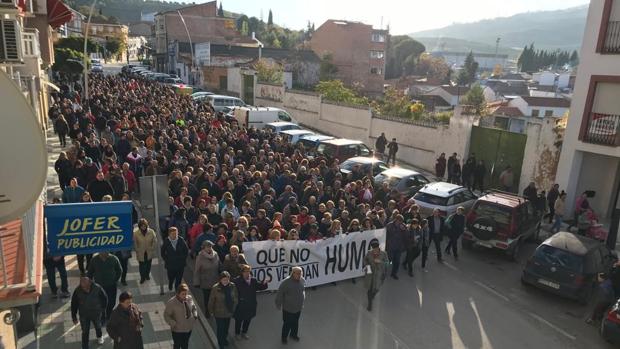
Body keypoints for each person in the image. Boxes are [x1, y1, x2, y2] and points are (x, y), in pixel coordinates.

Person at [233, 265, 268, 340]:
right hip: (240, 305)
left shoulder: (253, 280)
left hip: (251, 304)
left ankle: (244, 332)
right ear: (242, 272)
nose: (247, 273)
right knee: (239, 320)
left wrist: (264, 283)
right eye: (245, 271)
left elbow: (260, 287)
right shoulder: (237, 281)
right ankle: (237, 333)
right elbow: (233, 293)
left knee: (248, 319)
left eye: (248, 271)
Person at [71, 277, 108, 348]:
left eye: (86, 287)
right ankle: (85, 346)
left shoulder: (97, 288)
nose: (85, 289)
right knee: (85, 331)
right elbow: (74, 304)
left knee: (98, 326)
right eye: (83, 288)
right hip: (84, 315)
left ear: (90, 283)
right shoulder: (77, 291)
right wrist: (74, 317)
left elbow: (104, 298)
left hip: (96, 313)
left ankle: (99, 337)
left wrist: (103, 309)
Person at [87, 252, 122, 321]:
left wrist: (115, 280)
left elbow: (119, 270)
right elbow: (90, 273)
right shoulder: (94, 260)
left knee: (111, 302)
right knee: (100, 302)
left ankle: (109, 314)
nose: (104, 252)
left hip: (111, 285)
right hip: (99, 286)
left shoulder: (113, 259)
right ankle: (102, 316)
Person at [275, 266, 306, 344]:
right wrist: (278, 304)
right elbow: (279, 294)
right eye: (298, 273)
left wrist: (302, 302)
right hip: (288, 309)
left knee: (295, 322)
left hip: (298, 308)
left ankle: (293, 335)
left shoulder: (302, 280)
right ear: (293, 273)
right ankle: (284, 337)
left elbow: (303, 291)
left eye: (300, 273)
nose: (299, 275)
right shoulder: (285, 282)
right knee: (287, 324)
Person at [208, 271, 238, 348]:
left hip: (228, 312)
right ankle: (221, 343)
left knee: (226, 328)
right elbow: (211, 301)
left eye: (227, 279)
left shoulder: (232, 286)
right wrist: (211, 311)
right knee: (220, 329)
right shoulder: (215, 288)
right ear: (220, 280)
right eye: (224, 279)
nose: (225, 281)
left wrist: (233, 308)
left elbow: (235, 298)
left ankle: (224, 339)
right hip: (219, 313)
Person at [164, 283, 198, 349]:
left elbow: (194, 307)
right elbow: (166, 315)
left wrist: (195, 315)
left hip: (188, 328)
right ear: (178, 293)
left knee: (185, 345)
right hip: (177, 330)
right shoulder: (171, 302)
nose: (185, 296)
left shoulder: (189, 298)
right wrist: (173, 323)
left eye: (186, 293)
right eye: (183, 294)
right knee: (177, 345)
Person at [193, 240, 220, 316]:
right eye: (207, 247)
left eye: (210, 246)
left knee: (215, 297)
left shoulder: (215, 254)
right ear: (203, 248)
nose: (209, 248)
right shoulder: (200, 256)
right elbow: (197, 270)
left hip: (215, 280)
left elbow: (219, 265)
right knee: (207, 298)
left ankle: (214, 310)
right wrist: (196, 282)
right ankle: (207, 311)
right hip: (205, 281)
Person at [363, 239, 389, 311]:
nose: (374, 250)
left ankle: (373, 295)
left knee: (376, 289)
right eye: (373, 248)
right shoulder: (369, 253)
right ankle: (370, 304)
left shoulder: (384, 254)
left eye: (376, 248)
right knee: (369, 290)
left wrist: (380, 261)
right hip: (370, 275)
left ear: (378, 247)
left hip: (379, 275)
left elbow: (389, 263)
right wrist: (367, 265)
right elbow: (365, 260)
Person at [161, 227, 189, 291]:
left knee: (179, 279)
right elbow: (162, 252)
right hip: (170, 264)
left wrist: (183, 258)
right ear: (169, 234)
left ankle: (177, 290)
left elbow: (186, 250)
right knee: (171, 277)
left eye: (176, 233)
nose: (174, 235)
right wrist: (166, 259)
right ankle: (170, 283)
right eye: (173, 234)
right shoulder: (166, 241)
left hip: (180, 264)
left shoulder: (181, 240)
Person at [133, 218, 158, 283]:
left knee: (148, 265)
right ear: (140, 226)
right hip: (141, 252)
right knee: (142, 266)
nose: (143, 227)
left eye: (144, 226)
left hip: (149, 251)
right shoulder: (136, 233)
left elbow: (155, 240)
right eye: (142, 226)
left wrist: (152, 247)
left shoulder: (151, 231)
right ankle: (142, 277)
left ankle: (147, 275)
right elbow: (134, 242)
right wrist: (137, 249)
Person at [385, 214, 407, 279]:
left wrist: (404, 230)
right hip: (390, 247)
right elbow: (385, 235)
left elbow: (406, 236)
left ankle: (394, 273)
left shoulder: (403, 226)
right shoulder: (389, 225)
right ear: (396, 220)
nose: (400, 222)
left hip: (399, 247)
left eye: (401, 221)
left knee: (397, 261)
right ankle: (384, 271)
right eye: (399, 221)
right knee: (389, 260)